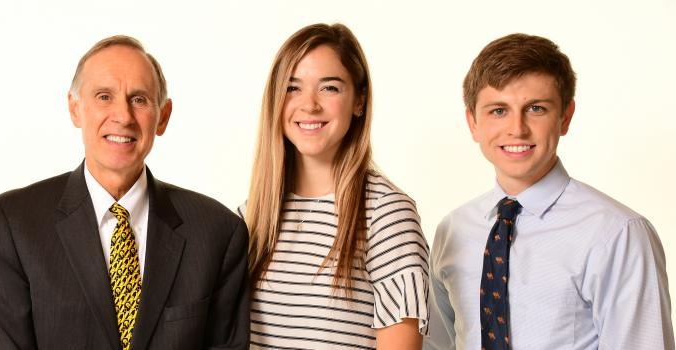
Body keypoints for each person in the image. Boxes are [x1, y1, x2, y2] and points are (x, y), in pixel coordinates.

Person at [0, 35, 250, 349]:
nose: (123, 115)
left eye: (139, 99)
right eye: (104, 96)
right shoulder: (13, 225)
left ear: (163, 116)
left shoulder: (218, 232)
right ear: (75, 109)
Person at [425, 33, 673, 350]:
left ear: (565, 117)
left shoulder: (618, 234)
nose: (517, 128)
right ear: (473, 122)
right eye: (498, 110)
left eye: (536, 109)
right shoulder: (453, 230)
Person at [239, 23, 428, 349]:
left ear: (359, 101)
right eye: (293, 88)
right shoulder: (252, 215)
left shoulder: (386, 213)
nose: (309, 105)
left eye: (329, 88)